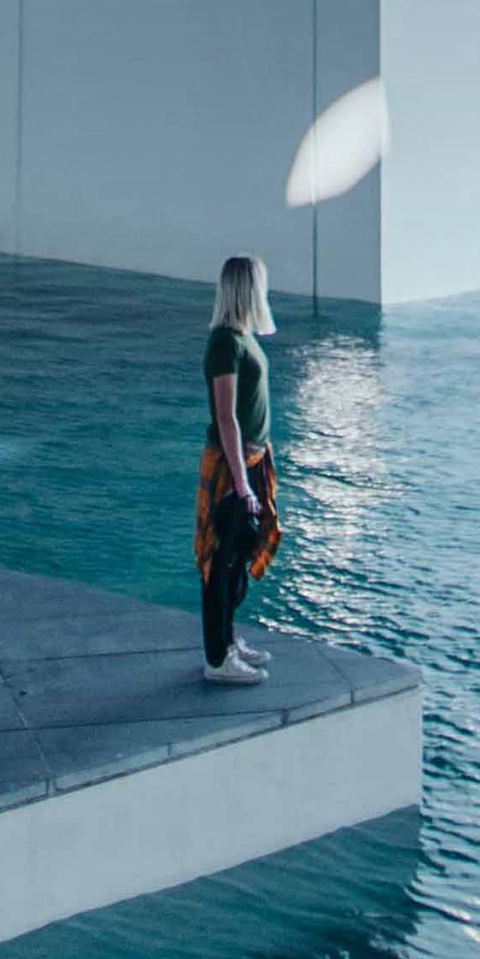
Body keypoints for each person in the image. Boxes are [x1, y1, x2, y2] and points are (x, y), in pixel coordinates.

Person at [194, 253, 282, 683]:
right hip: (233, 466)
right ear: (248, 288)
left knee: (237, 559)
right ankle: (216, 660)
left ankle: (228, 642)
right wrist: (243, 484)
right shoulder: (224, 342)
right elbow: (226, 417)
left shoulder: (243, 337)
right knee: (220, 563)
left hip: (251, 459)